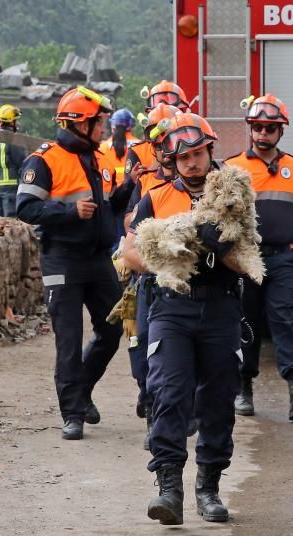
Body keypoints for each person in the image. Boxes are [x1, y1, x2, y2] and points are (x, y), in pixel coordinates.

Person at [122, 113, 243, 525]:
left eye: (198, 153)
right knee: (169, 393)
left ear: (211, 151)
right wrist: (165, 263)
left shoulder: (232, 193)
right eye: (183, 156)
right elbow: (130, 252)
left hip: (222, 306)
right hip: (171, 306)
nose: (192, 163)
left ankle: (208, 488)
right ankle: (169, 489)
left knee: (218, 400)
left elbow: (248, 262)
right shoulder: (155, 198)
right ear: (171, 160)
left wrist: (221, 249)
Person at [16, 86, 133, 441]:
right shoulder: (44, 160)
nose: (104, 128)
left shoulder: (97, 159)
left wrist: (130, 186)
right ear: (80, 124)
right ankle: (72, 414)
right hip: (61, 259)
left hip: (98, 260)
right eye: (99, 122)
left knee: (112, 329)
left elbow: (108, 209)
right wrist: (68, 211)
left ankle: (81, 391)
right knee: (68, 340)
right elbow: (25, 207)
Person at [224, 94, 293, 420]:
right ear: (250, 129)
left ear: (281, 131)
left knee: (286, 319)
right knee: (246, 324)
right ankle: (243, 387)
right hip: (244, 259)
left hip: (282, 259)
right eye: (258, 127)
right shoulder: (232, 168)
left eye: (270, 128)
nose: (263, 133)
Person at [121, 102, 182, 450]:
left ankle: (173, 414)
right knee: (143, 343)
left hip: (189, 283)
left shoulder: (204, 183)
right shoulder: (145, 182)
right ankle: (149, 402)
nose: (166, 151)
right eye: (160, 144)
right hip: (148, 278)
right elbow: (129, 223)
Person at [0, 104, 26, 217]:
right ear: (12, 122)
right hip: (10, 190)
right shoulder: (13, 140)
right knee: (10, 224)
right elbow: (23, 166)